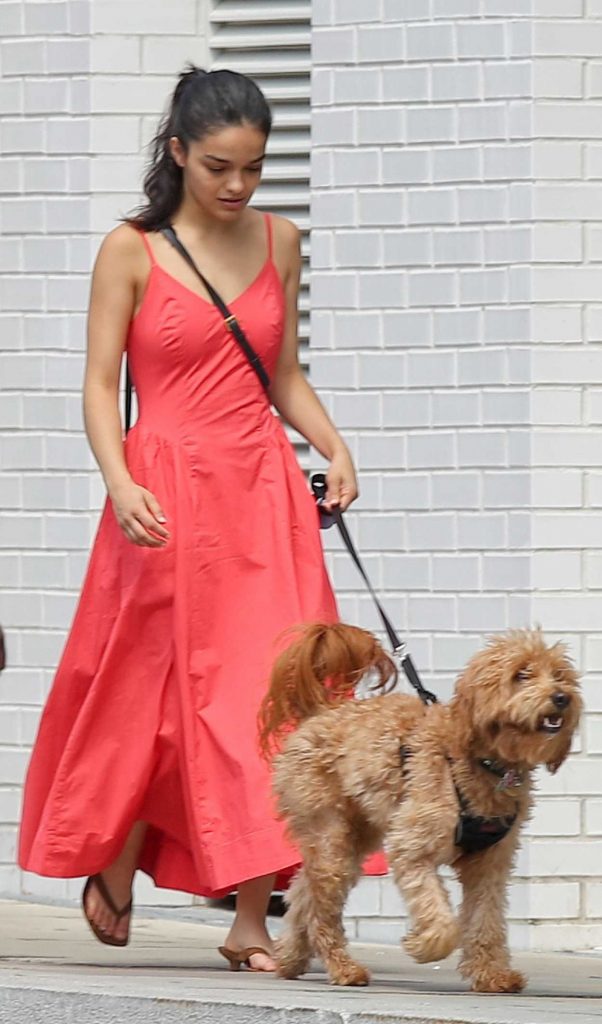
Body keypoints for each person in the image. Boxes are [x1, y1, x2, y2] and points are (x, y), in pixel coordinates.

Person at [18, 66, 358, 972]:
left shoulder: (282, 241)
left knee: (275, 700)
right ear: (178, 153)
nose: (238, 186)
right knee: (152, 695)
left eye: (253, 166)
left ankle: (252, 918)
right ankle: (119, 853)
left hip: (260, 494)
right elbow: (97, 384)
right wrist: (118, 479)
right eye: (218, 167)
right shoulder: (131, 250)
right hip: (162, 494)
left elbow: (278, 374)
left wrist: (334, 446)